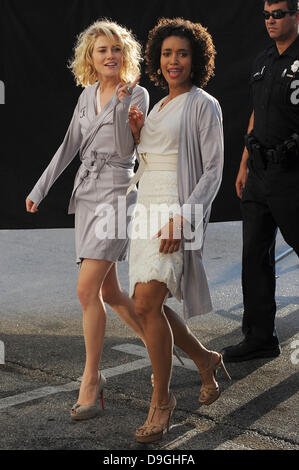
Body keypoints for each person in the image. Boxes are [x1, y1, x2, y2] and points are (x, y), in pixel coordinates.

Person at [26, 19, 149, 420]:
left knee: (85, 291)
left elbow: (142, 146)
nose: (110, 55)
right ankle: (170, 349)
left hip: (116, 194)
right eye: (102, 50)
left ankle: (91, 380)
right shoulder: (86, 96)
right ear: (90, 58)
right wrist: (39, 190)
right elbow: (68, 147)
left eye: (116, 48)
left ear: (125, 53)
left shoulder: (138, 93)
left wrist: (137, 128)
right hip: (86, 194)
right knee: (110, 293)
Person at [127, 18, 230, 444]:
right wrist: (138, 136)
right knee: (144, 305)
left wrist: (184, 219)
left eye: (182, 53)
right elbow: (151, 159)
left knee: (147, 304)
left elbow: (213, 170)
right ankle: (204, 359)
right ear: (157, 58)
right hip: (146, 210)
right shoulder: (160, 106)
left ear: (196, 59)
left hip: (174, 211)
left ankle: (163, 400)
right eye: (167, 53)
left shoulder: (204, 104)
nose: (174, 61)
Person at [223, 0, 299, 362]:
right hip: (259, 172)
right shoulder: (264, 59)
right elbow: (256, 112)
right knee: (254, 255)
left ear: (297, 15)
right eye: (266, 14)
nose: (270, 20)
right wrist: (243, 164)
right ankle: (260, 337)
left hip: (293, 174)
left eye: (278, 14)